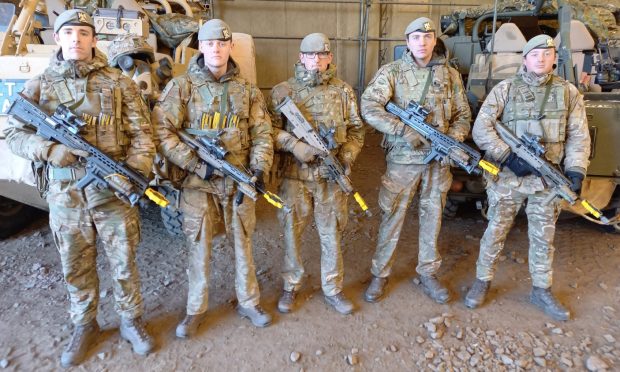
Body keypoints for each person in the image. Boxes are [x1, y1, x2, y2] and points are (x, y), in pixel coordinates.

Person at [5, 9, 156, 367]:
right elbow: (14, 133)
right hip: (65, 196)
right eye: (68, 32)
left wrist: (131, 173)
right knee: (76, 265)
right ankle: (84, 324)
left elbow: (142, 135)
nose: (76, 39)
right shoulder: (41, 85)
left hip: (112, 194)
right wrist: (50, 149)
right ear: (57, 38)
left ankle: (131, 320)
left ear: (93, 39)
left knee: (124, 263)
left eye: (83, 33)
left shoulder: (119, 83)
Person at [152, 19, 274, 338]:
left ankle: (249, 301)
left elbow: (262, 132)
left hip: (238, 179)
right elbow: (163, 132)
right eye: (210, 44)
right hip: (197, 184)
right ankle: (195, 309)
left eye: (222, 43)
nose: (216, 49)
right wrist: (194, 164)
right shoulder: (182, 87)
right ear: (201, 48)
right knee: (198, 246)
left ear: (230, 46)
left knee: (243, 243)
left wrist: (260, 168)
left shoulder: (246, 90)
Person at [465, 34, 590, 321]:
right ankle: (482, 281)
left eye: (547, 54)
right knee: (495, 231)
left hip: (547, 182)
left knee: (544, 238)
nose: (541, 59)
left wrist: (575, 170)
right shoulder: (505, 89)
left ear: (554, 59)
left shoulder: (568, 92)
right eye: (535, 55)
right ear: (525, 59)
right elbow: (481, 128)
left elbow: (578, 137)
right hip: (508, 179)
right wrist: (506, 155)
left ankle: (541, 289)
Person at [360, 17, 471, 304]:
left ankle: (428, 273)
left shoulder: (450, 76)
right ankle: (380, 274)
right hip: (403, 160)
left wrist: (453, 140)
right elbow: (369, 106)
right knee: (392, 214)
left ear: (435, 40)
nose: (422, 43)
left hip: (438, 162)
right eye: (416, 38)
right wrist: (401, 129)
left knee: (433, 215)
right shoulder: (393, 72)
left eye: (427, 37)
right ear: (407, 41)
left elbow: (462, 115)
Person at [268, 33, 365, 315]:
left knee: (331, 232)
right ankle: (291, 285)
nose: (316, 61)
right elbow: (268, 132)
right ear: (300, 57)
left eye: (322, 55)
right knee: (291, 232)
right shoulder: (283, 91)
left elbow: (357, 131)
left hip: (329, 178)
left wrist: (346, 156)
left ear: (330, 58)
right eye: (310, 55)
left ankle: (333, 288)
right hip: (294, 178)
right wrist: (294, 145)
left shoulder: (343, 91)